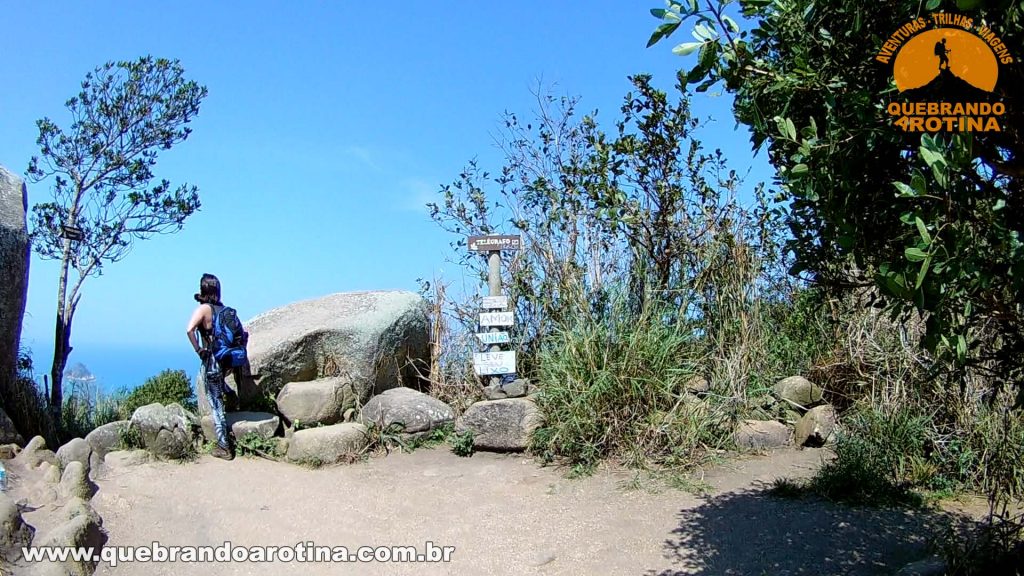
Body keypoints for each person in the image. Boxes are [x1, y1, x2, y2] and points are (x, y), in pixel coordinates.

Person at [186, 273, 239, 460]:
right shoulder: (223, 310)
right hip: (225, 360)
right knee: (218, 387)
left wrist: (198, 349)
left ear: (203, 289)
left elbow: (189, 329)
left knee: (215, 402)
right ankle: (231, 395)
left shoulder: (204, 309)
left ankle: (224, 446)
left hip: (211, 360)